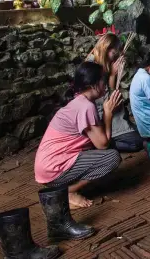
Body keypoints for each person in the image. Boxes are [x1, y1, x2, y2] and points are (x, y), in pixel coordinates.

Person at [35, 61, 122, 209]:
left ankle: (68, 187)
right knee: (112, 157)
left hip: (48, 167)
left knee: (111, 145)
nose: (105, 84)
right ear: (93, 84)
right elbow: (102, 144)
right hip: (54, 168)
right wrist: (108, 114)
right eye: (102, 79)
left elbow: (100, 137)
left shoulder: (80, 100)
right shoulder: (85, 106)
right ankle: (64, 193)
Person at [86, 33, 144, 152]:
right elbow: (108, 102)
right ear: (105, 48)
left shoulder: (102, 63)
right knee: (137, 143)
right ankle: (101, 143)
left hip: (111, 114)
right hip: (102, 119)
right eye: (113, 53)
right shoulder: (93, 68)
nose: (114, 57)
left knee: (143, 134)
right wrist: (112, 76)